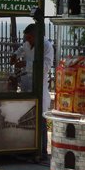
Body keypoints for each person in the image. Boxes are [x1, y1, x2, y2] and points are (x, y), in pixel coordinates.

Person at [11, 24, 53, 159]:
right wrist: (15, 55)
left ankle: (42, 150)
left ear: (36, 36)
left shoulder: (47, 46)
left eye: (29, 38)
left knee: (40, 119)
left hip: (39, 86)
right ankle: (27, 148)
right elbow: (21, 50)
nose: (27, 40)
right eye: (26, 38)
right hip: (26, 85)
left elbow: (46, 67)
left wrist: (26, 65)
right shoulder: (27, 44)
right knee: (27, 119)